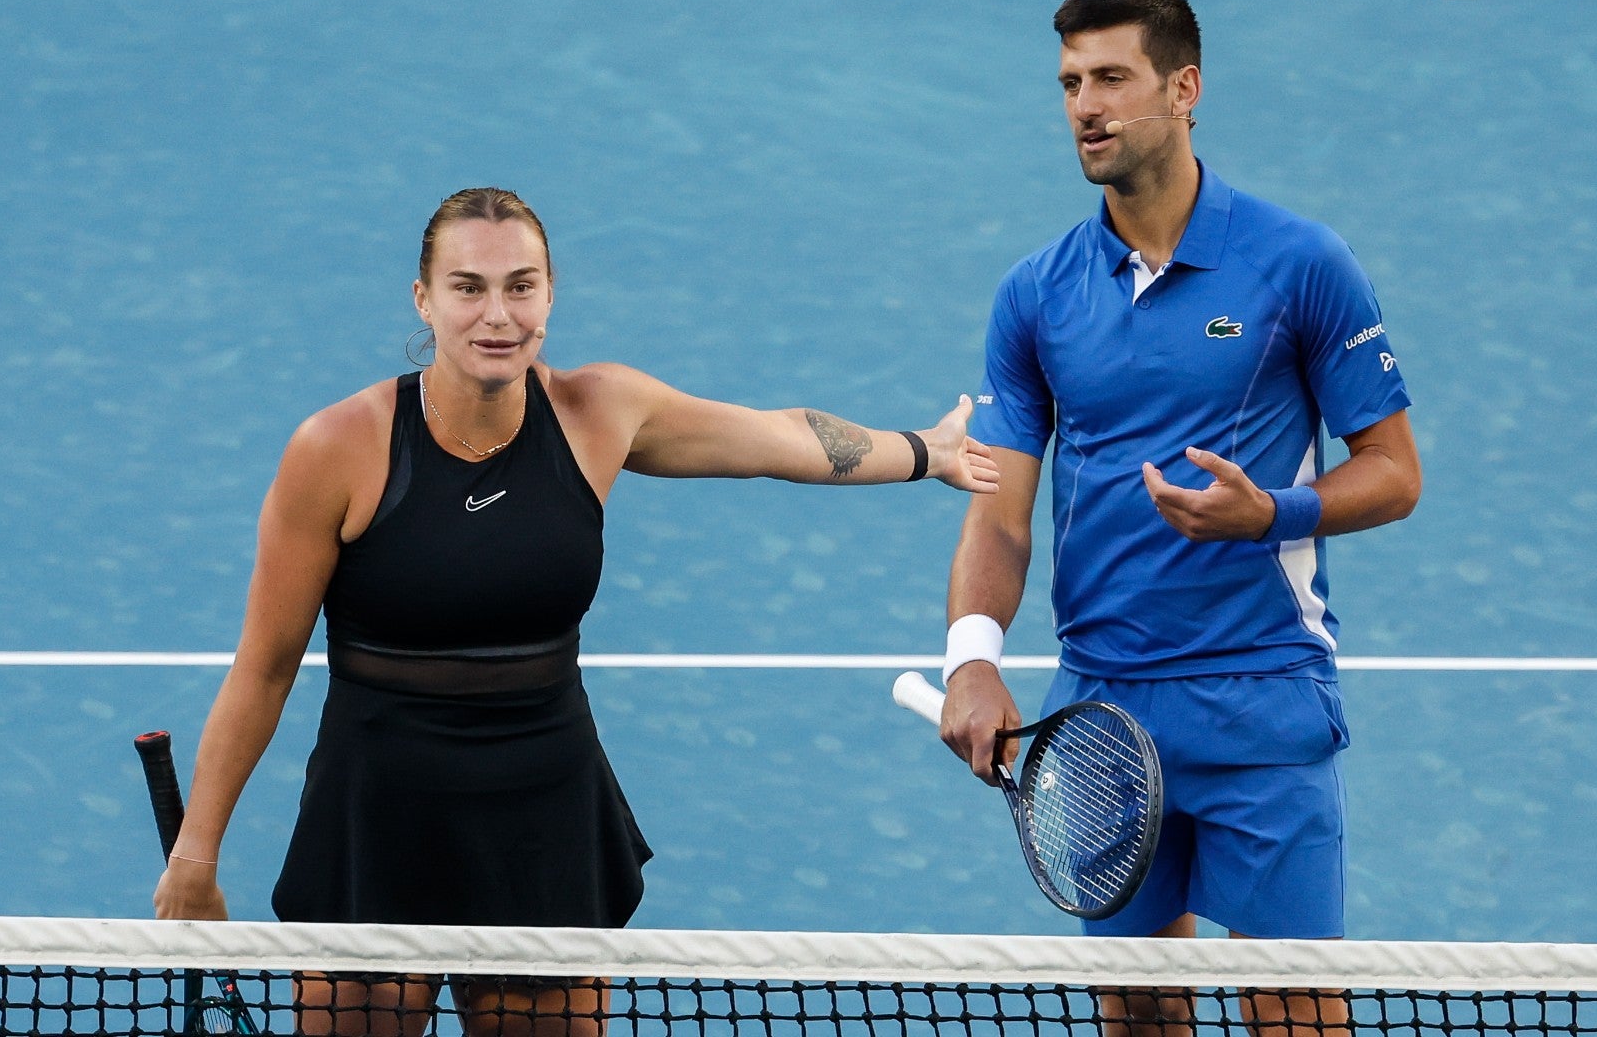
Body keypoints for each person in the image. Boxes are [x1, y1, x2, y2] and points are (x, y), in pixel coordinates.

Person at [152, 186, 999, 1036]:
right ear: (424, 299)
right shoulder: (338, 447)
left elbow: (781, 439)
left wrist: (926, 452)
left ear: (551, 293)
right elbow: (264, 667)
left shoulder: (599, 414)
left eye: (521, 286)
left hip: (542, 813)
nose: (498, 314)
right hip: (378, 815)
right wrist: (196, 854)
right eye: (468, 287)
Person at [937, 0, 1421, 1037]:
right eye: (1070, 83)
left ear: (1184, 88)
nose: (1085, 105)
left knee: (1296, 1013)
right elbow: (1002, 512)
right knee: (1139, 1015)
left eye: (1111, 77)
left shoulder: (1299, 265)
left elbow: (1394, 471)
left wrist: (1275, 514)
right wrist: (972, 654)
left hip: (1263, 698)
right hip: (1107, 711)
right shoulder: (1037, 293)